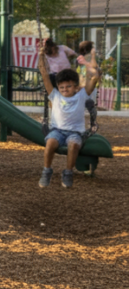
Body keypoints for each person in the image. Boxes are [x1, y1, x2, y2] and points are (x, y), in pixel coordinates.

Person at [38, 43, 100, 189]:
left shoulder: (82, 95)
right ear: (58, 88)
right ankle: (47, 171)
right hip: (57, 130)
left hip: (75, 132)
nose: (65, 89)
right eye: (62, 87)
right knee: (50, 144)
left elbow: (95, 77)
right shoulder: (54, 95)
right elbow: (44, 73)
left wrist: (91, 59)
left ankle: (68, 172)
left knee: (73, 145)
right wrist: (41, 55)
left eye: (69, 86)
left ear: (76, 86)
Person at [76, 40, 99, 132]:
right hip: (88, 83)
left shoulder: (81, 58)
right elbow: (94, 67)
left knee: (86, 104)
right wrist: (93, 55)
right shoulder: (86, 57)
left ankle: (91, 122)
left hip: (84, 83)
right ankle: (92, 122)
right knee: (90, 104)